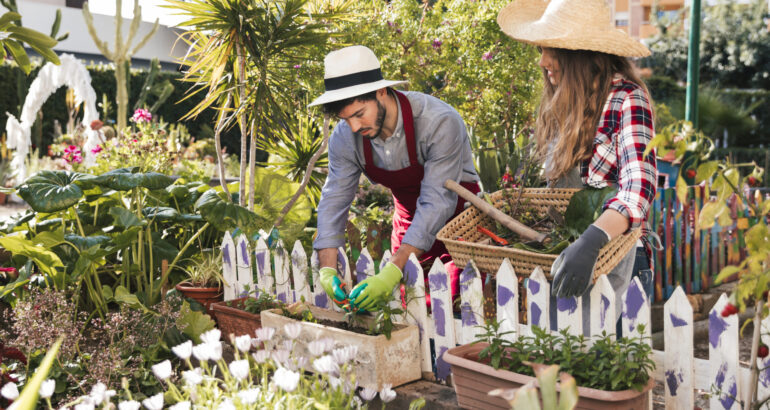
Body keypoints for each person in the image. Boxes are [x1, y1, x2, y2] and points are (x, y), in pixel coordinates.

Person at [497, 0, 658, 313]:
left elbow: (639, 188)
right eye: (541, 49)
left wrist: (592, 239)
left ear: (582, 53)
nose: (542, 60)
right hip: (569, 261)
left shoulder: (627, 99)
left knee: (605, 345)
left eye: (552, 50)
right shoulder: (564, 103)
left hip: (614, 260)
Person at [309, 45, 480, 311]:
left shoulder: (438, 122)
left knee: (458, 310)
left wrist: (392, 270)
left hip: (460, 226)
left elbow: (437, 201)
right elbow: (334, 200)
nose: (354, 126)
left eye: (359, 114)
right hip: (409, 221)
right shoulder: (345, 137)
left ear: (381, 91)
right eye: (346, 119)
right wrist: (327, 269)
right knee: (411, 311)